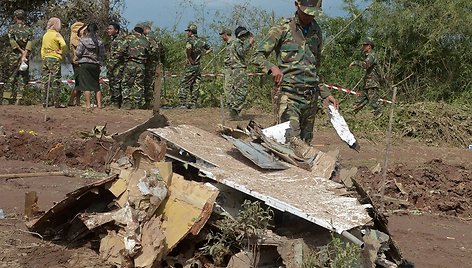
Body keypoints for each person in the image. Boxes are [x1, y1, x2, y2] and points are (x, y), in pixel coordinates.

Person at [253, 0, 338, 144]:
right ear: (297, 5)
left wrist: (325, 93)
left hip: (311, 100)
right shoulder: (283, 28)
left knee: (305, 144)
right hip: (289, 96)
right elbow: (257, 56)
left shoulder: (316, 31)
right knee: (290, 142)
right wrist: (272, 67)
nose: (309, 17)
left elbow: (315, 68)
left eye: (313, 14)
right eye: (306, 13)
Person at [220, 26, 254, 120]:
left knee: (234, 91)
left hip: (233, 70)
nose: (245, 37)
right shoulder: (237, 42)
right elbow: (241, 52)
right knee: (242, 91)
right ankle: (234, 111)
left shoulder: (231, 43)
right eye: (244, 35)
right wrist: (250, 44)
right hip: (239, 69)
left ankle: (233, 111)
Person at [3, 9, 33, 105]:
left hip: (14, 55)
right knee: (22, 77)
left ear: (15, 17)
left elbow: (12, 42)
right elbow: (29, 43)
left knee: (11, 76)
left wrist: (20, 51)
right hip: (25, 56)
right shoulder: (29, 29)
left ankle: (6, 99)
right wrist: (24, 53)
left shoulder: (11, 28)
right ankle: (19, 100)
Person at [178, 23, 212, 109]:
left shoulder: (190, 40)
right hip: (198, 65)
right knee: (196, 83)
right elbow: (210, 49)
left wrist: (189, 58)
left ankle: (182, 103)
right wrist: (202, 54)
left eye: (188, 31)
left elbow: (188, 48)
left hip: (191, 65)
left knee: (184, 82)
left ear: (191, 32)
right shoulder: (201, 41)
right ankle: (193, 102)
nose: (187, 33)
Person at [75, 23, 106, 112]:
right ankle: (99, 105)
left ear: (87, 31)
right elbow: (102, 54)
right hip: (95, 64)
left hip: (85, 64)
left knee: (86, 85)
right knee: (96, 84)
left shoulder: (83, 40)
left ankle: (88, 105)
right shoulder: (100, 41)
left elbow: (78, 53)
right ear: (97, 31)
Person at [349, 39, 382, 117]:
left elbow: (365, 65)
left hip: (372, 84)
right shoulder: (370, 56)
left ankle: (381, 120)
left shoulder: (372, 55)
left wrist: (355, 62)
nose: (362, 47)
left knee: (375, 105)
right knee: (358, 102)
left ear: (369, 46)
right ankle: (348, 116)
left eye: (364, 45)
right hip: (368, 84)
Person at [120, 24, 150, 109]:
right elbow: (151, 52)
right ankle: (138, 104)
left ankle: (127, 103)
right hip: (141, 65)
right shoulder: (145, 40)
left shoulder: (129, 38)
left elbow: (121, 50)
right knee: (139, 85)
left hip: (131, 64)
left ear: (134, 31)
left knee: (126, 84)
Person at [40, 17, 67, 108]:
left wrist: (44, 57)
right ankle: (57, 103)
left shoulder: (45, 35)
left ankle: (44, 102)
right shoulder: (57, 34)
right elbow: (63, 44)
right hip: (54, 59)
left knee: (45, 81)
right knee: (56, 80)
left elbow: (42, 49)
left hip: (45, 59)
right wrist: (61, 52)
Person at [142, 23, 165, 109]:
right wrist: (162, 61)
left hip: (149, 64)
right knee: (157, 83)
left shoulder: (146, 39)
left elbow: (145, 51)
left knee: (148, 83)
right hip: (157, 64)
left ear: (145, 30)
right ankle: (158, 101)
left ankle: (148, 102)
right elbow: (162, 51)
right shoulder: (158, 38)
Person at [106, 22, 126, 108]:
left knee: (117, 84)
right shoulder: (113, 39)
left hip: (118, 66)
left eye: (110, 29)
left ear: (116, 30)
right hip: (112, 66)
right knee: (112, 84)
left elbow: (119, 53)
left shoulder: (120, 40)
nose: (108, 30)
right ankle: (113, 100)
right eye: (108, 29)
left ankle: (117, 103)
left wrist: (112, 64)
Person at [68, 20, 85, 106]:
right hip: (77, 62)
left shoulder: (77, 38)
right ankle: (71, 100)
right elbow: (82, 47)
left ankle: (77, 101)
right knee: (79, 82)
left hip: (79, 62)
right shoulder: (75, 39)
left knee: (79, 82)